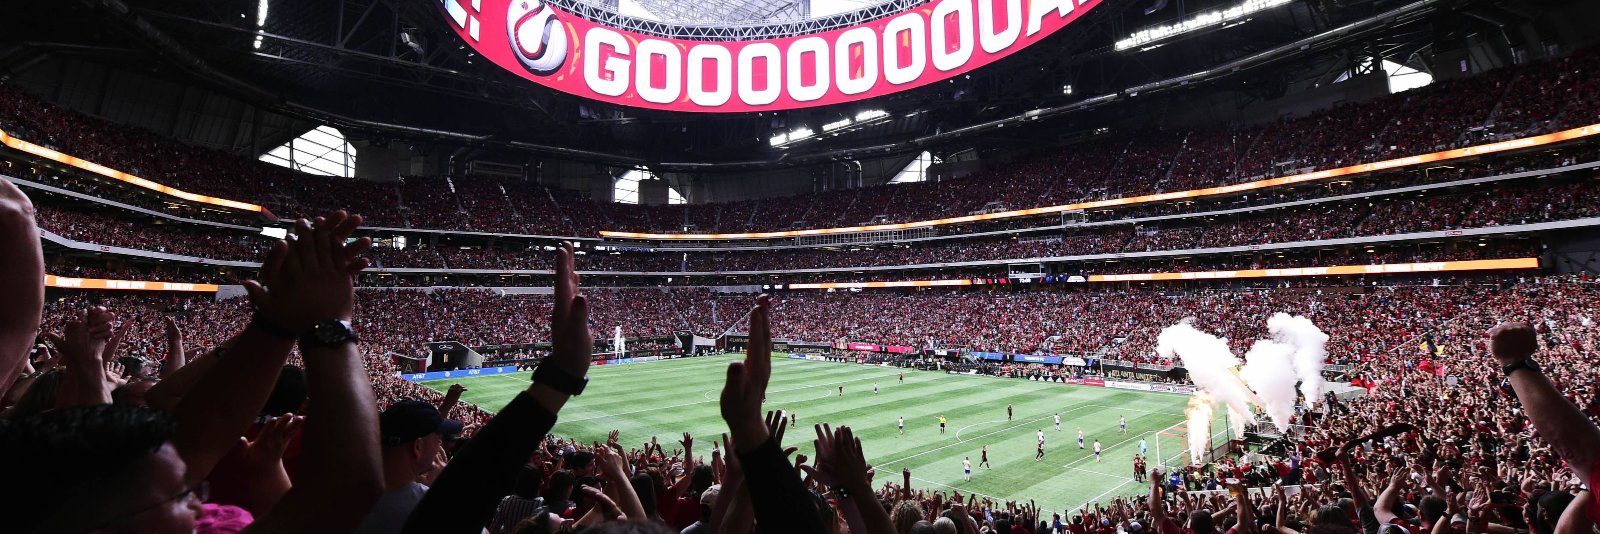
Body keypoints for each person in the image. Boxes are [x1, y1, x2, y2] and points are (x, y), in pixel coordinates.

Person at [355, 400, 462, 534]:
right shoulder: (427, 503)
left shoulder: (349, 480)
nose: (440, 443)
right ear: (417, 447)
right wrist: (443, 489)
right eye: (438, 437)